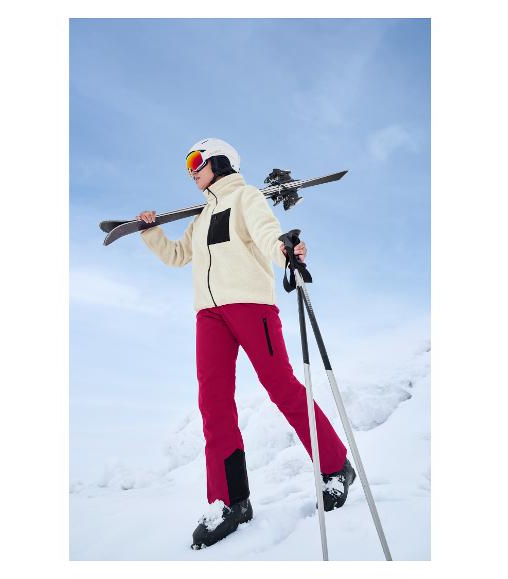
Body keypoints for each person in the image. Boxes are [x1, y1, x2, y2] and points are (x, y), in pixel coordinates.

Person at [136, 138, 355, 550]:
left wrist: (287, 251)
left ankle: (335, 467)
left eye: (196, 161)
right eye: (186, 163)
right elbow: (179, 255)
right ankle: (230, 501)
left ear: (219, 161)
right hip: (209, 315)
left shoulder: (247, 198)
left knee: (282, 387)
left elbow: (268, 234)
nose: (191, 170)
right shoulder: (200, 217)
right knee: (214, 405)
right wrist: (152, 233)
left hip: (251, 307)